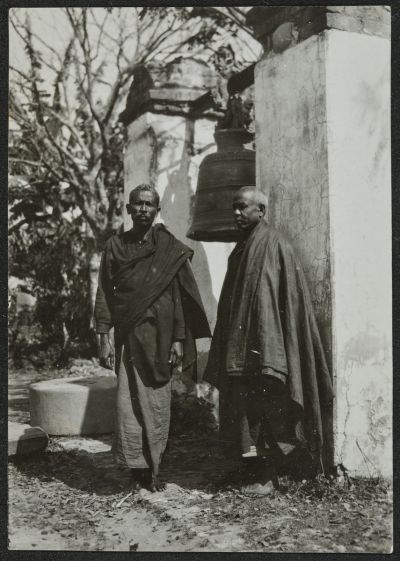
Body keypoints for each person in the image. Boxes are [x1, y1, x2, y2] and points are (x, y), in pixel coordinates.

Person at [203, 186, 334, 495]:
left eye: (243, 207)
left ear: (260, 210)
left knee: (269, 407)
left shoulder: (275, 245)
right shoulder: (243, 247)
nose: (236, 213)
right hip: (245, 346)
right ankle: (254, 471)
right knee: (247, 409)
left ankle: (269, 477)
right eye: (234, 207)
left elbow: (283, 301)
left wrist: (271, 345)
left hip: (268, 346)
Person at [94, 184, 210, 492]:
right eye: (138, 203)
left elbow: (178, 297)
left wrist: (179, 339)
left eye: (149, 204)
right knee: (128, 404)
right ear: (128, 209)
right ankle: (138, 471)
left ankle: (154, 468)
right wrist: (103, 336)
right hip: (128, 337)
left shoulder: (169, 248)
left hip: (161, 338)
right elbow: (104, 292)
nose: (143, 209)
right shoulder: (115, 246)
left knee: (157, 403)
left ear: (158, 210)